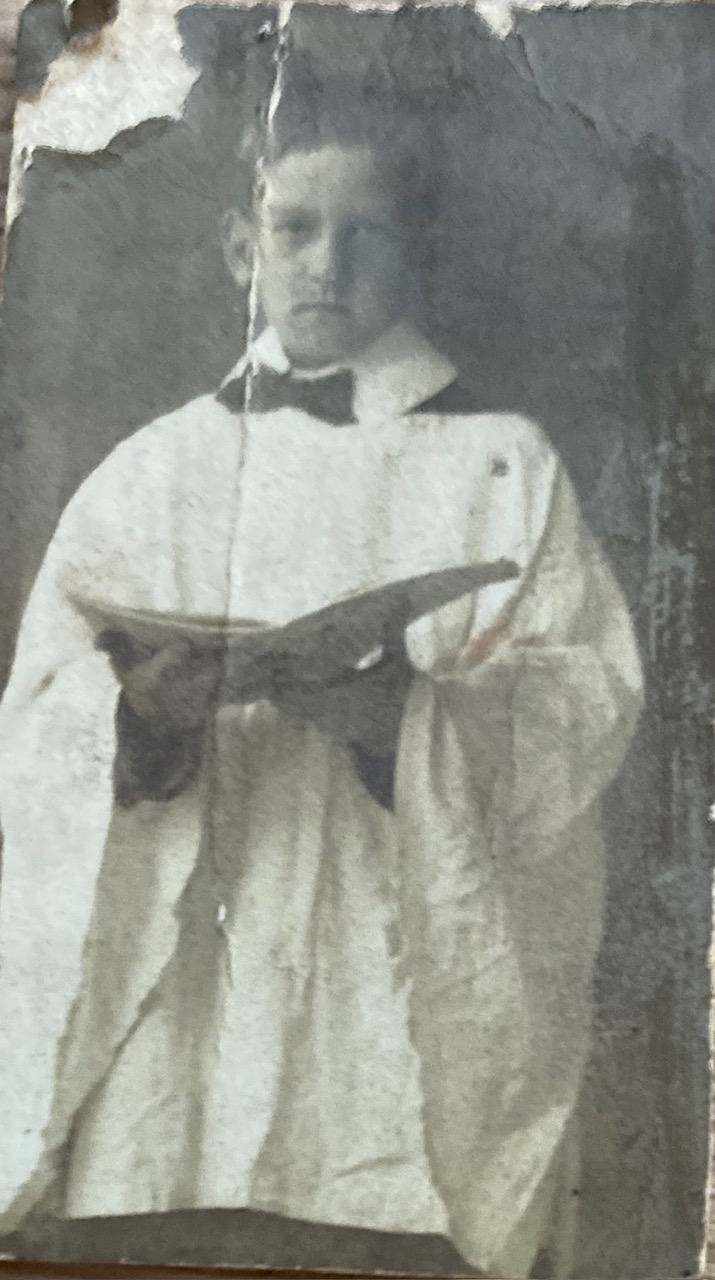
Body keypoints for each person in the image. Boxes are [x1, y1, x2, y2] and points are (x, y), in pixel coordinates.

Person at [0, 72, 643, 1278]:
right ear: (242, 242)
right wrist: (137, 722)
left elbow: (580, 700)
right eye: (295, 230)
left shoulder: (501, 463)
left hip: (385, 1013)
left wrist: (403, 723)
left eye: (367, 233)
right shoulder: (156, 469)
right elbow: (33, 721)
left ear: (420, 251)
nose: (324, 266)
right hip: (176, 1035)